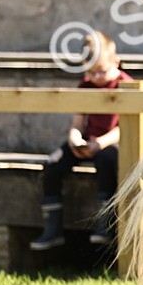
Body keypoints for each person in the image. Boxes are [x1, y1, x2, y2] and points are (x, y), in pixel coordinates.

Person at [30, 30, 133, 250]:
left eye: (102, 72)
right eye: (91, 72)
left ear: (117, 61)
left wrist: (99, 143)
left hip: (110, 142)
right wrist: (74, 140)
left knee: (107, 160)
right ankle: (52, 227)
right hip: (88, 140)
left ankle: (105, 222)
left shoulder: (126, 85)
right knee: (53, 164)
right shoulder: (85, 85)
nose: (96, 77)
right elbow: (78, 123)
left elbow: (124, 128)